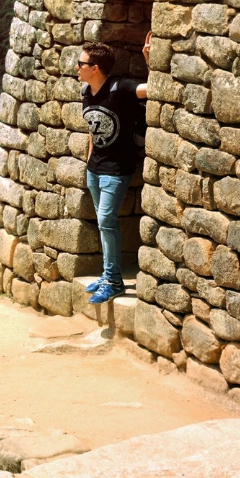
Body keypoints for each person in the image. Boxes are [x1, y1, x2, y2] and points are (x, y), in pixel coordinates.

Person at [79, 34, 151, 304]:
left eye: (80, 63)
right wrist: (89, 159)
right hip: (95, 170)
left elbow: (153, 88)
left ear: (94, 68)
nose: (76, 67)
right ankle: (108, 275)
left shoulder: (120, 88)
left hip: (116, 171)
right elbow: (92, 127)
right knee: (104, 223)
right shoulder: (87, 92)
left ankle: (113, 280)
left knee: (106, 222)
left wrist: (149, 61)